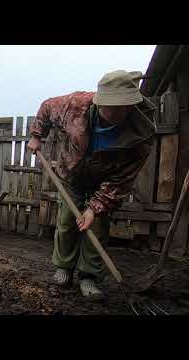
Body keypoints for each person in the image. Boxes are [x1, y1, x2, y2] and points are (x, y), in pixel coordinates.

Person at [27, 70, 156, 300]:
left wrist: (94, 208)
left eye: (123, 107)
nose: (117, 113)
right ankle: (64, 267)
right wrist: (37, 135)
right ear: (99, 101)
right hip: (72, 174)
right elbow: (47, 107)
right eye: (111, 107)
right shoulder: (75, 106)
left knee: (96, 226)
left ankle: (89, 276)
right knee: (67, 221)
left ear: (132, 104)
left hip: (106, 183)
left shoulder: (141, 135)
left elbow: (122, 179)